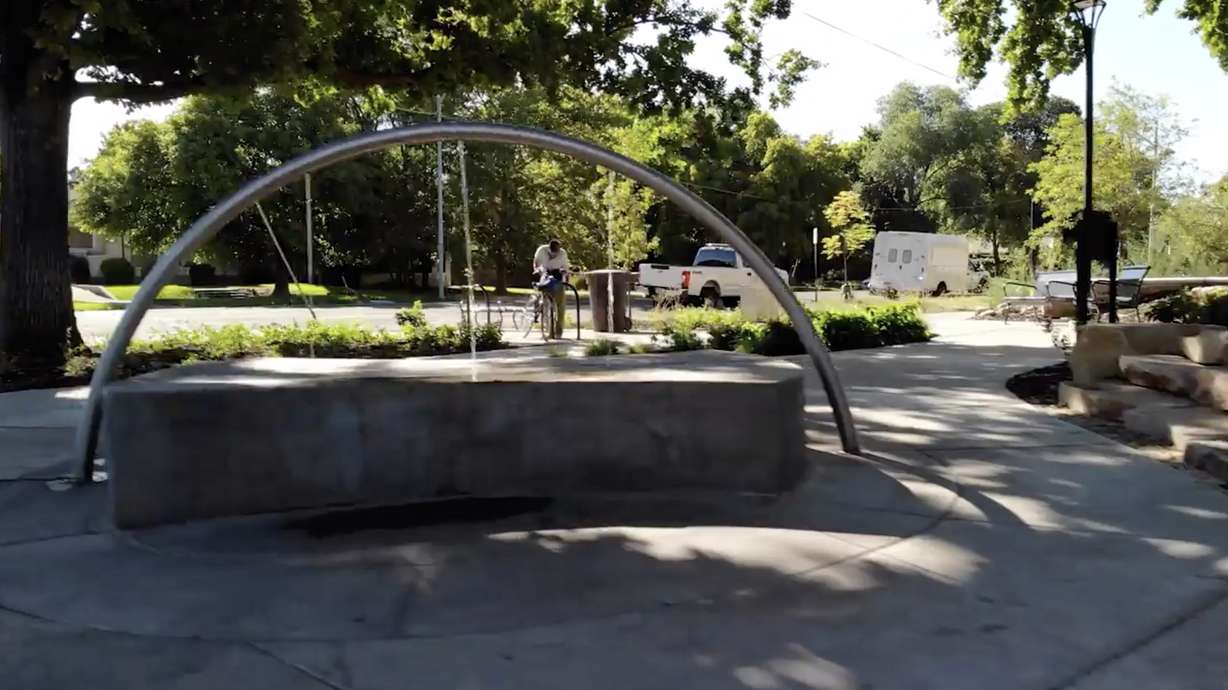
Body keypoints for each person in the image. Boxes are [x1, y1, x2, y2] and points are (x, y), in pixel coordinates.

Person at [532, 239, 569, 338]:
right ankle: (547, 330)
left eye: (556, 253)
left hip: (558, 280)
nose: (554, 255)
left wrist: (564, 273)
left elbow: (566, 268)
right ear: (549, 248)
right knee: (545, 305)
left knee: (560, 306)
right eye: (552, 253)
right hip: (545, 277)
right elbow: (536, 262)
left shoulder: (563, 254)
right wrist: (537, 270)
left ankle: (559, 331)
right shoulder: (542, 250)